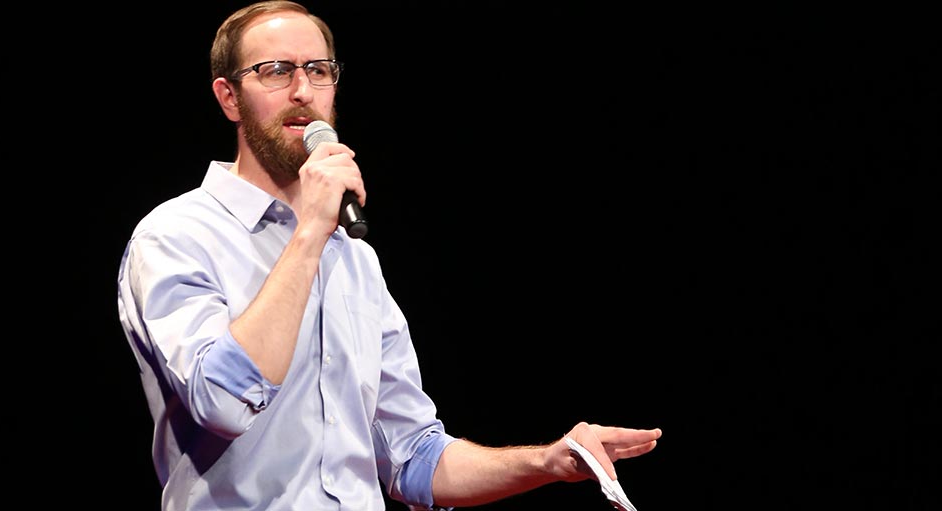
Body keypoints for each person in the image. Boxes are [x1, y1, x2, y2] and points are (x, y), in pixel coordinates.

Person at [116, 2, 662, 509]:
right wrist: (309, 233)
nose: (303, 90)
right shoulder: (175, 236)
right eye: (277, 71)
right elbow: (224, 401)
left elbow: (412, 454)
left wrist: (548, 461)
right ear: (228, 97)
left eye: (320, 70)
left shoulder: (354, 259)